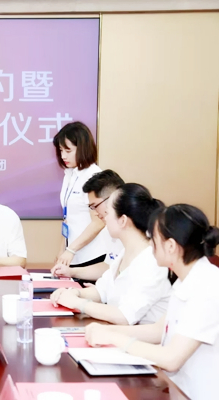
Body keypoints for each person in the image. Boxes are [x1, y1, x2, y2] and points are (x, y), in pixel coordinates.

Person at [85, 204, 219, 400]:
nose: (150, 245)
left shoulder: (207, 286)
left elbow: (171, 358)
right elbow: (158, 330)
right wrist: (106, 331)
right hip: (176, 388)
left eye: (153, 239)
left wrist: (115, 338)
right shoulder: (186, 278)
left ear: (171, 246)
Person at [51, 184, 170, 325]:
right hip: (116, 332)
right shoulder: (124, 252)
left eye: (108, 213)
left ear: (123, 220)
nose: (104, 218)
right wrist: (73, 292)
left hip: (137, 337)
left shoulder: (152, 261)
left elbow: (124, 316)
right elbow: (102, 291)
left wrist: (78, 303)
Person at [52, 122, 111, 271]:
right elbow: (68, 219)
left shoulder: (94, 176)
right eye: (61, 150)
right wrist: (62, 250)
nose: (63, 156)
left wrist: (71, 250)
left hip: (92, 255)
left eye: (68, 150)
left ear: (83, 147)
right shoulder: (69, 174)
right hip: (73, 254)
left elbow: (99, 222)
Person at [52, 169, 125, 282]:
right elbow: (108, 267)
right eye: (91, 208)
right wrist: (70, 272)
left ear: (112, 198)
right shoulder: (110, 230)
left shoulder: (137, 233)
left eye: (95, 206)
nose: (95, 213)